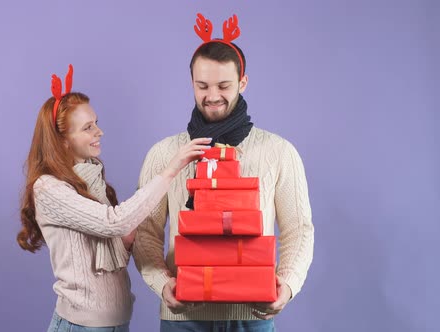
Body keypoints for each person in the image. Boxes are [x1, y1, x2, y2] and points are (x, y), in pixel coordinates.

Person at [133, 13, 315, 331]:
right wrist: (162, 284)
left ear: (243, 82)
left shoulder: (279, 152)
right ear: (191, 82)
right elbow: (145, 232)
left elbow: (298, 229)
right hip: (183, 319)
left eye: (224, 85)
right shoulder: (164, 154)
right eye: (202, 85)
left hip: (252, 316)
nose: (212, 95)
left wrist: (285, 286)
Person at [16, 64, 211, 332]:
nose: (99, 132)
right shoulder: (48, 188)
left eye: (96, 123)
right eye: (87, 128)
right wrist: (171, 170)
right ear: (62, 141)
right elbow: (113, 223)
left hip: (116, 324)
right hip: (81, 327)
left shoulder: (91, 182)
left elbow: (120, 236)